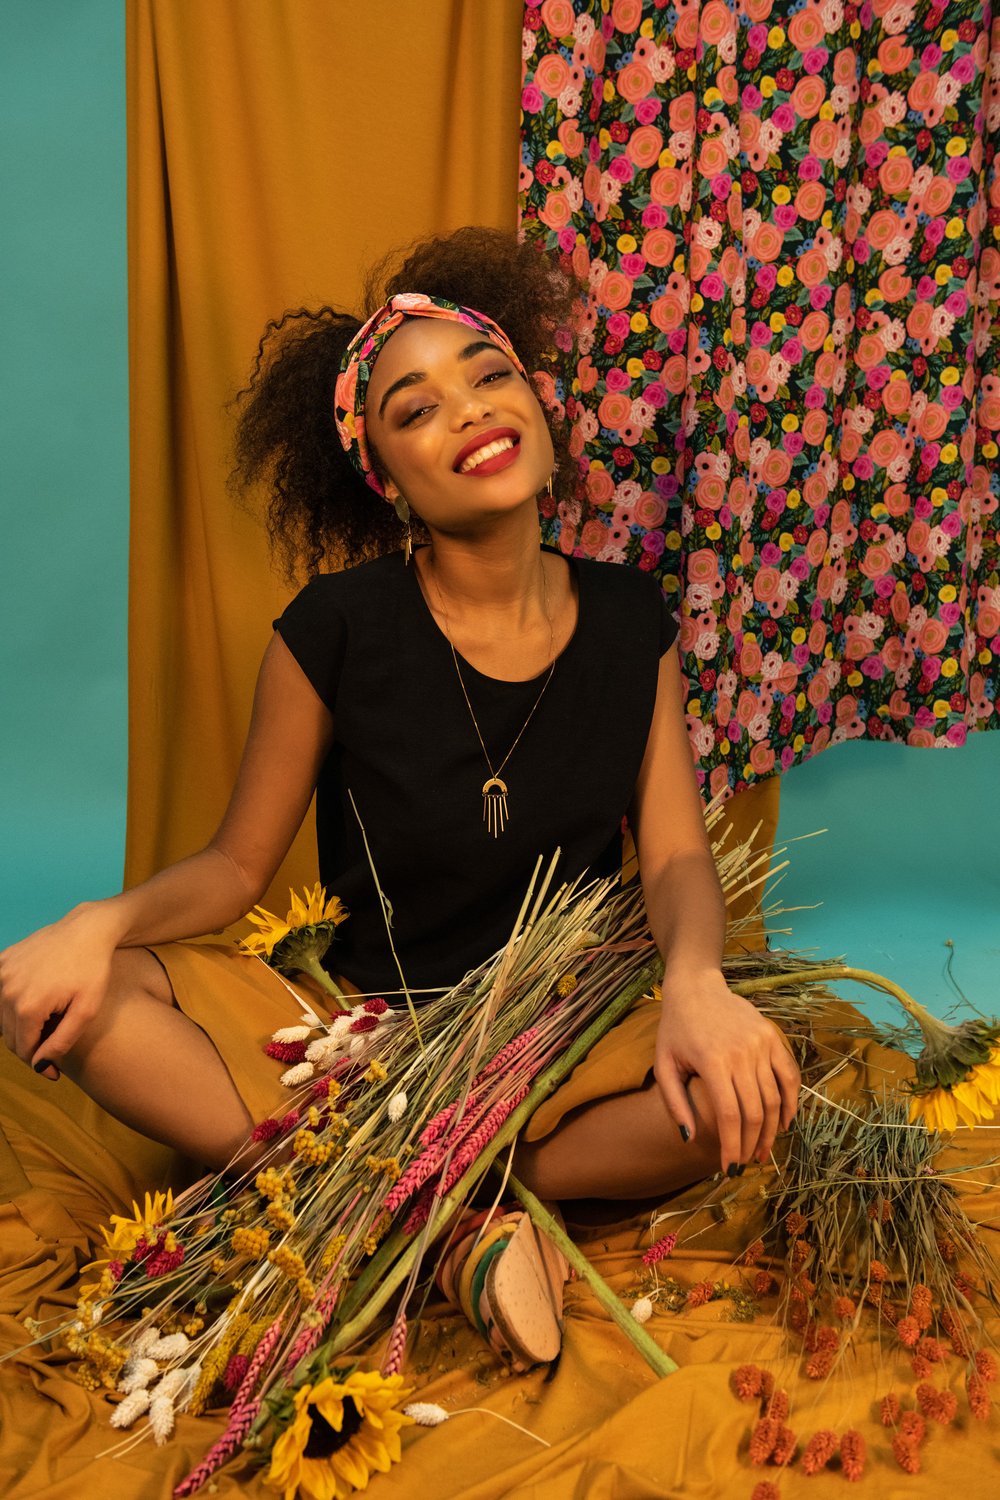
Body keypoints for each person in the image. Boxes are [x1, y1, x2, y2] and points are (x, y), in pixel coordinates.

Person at [0, 228, 798, 1221]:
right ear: (384, 475)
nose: (470, 409)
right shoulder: (334, 628)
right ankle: (465, 1207)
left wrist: (696, 984)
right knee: (83, 1007)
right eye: (416, 409)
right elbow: (236, 868)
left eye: (490, 375)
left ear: (537, 404)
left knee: (736, 1095)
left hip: (560, 1029)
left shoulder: (632, 620)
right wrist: (98, 923)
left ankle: (395, 1191)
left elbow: (675, 856)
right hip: (353, 1033)